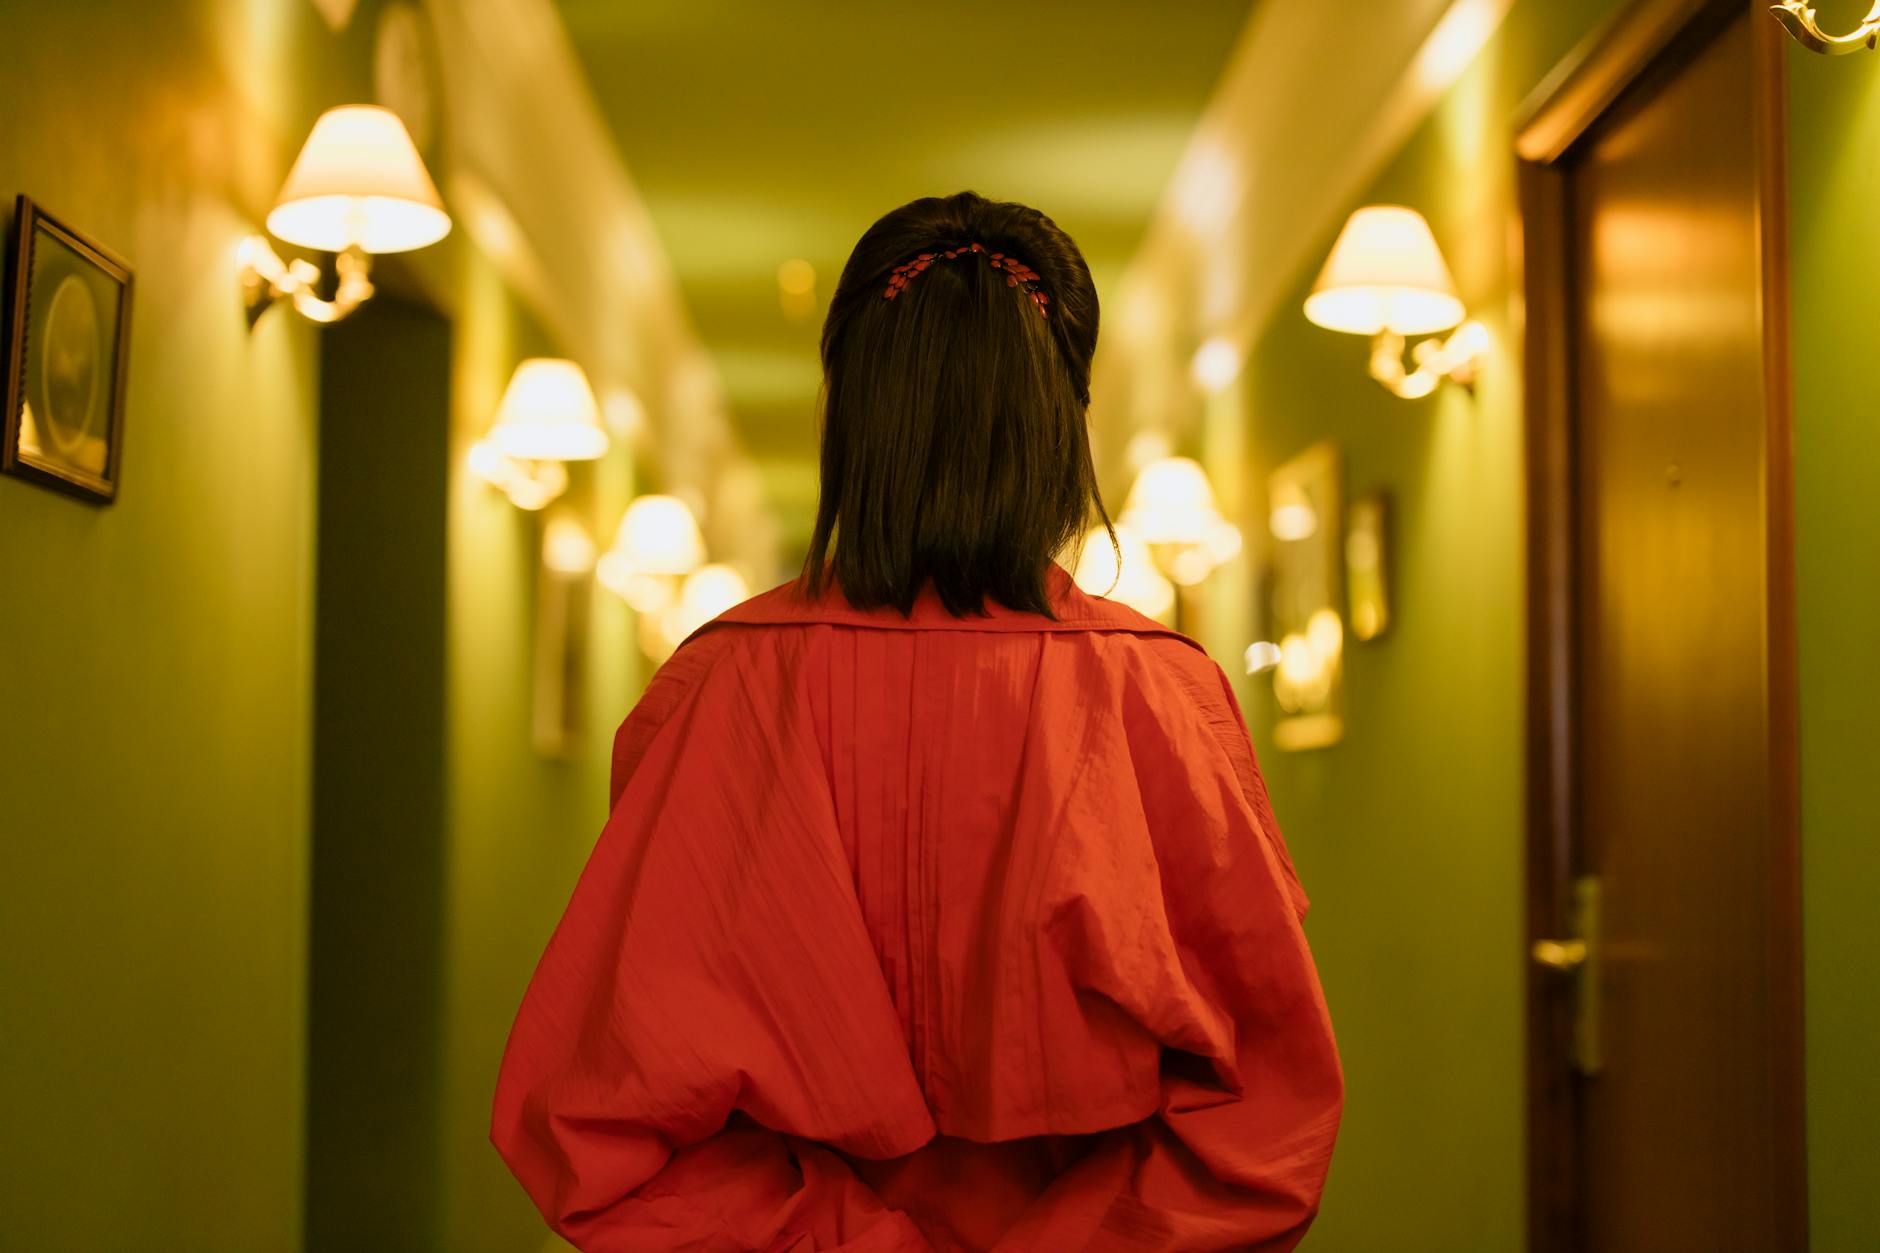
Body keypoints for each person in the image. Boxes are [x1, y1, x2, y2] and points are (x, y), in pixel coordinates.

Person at [491, 191, 1342, 1252]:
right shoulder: (1155, 691)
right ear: (1058, 421)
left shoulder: (719, 686)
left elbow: (597, 1126)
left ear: (850, 414)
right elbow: (1264, 1111)